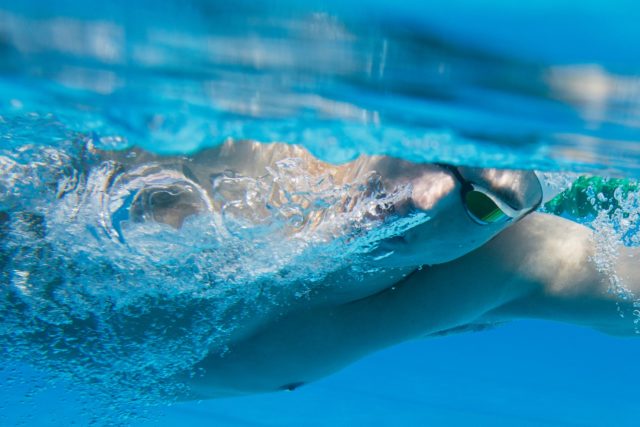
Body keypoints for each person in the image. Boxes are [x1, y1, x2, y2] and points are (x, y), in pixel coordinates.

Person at [117, 140, 634, 399]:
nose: (427, 199)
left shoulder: (511, 259)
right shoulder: (236, 154)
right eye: (423, 150)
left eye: (481, 204)